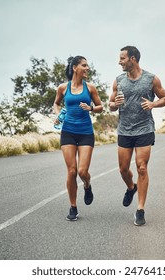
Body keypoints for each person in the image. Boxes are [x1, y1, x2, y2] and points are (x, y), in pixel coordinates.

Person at [109, 46, 165, 226]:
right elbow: (110, 105)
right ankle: (131, 187)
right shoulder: (118, 81)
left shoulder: (151, 79)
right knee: (123, 169)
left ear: (133, 59)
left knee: (141, 167)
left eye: (122, 58)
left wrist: (153, 104)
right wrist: (114, 104)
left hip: (144, 128)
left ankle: (140, 209)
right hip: (125, 130)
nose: (119, 62)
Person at [53, 55, 103, 221]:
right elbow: (56, 103)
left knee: (82, 171)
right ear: (75, 67)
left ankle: (87, 185)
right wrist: (58, 115)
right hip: (68, 132)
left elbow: (100, 107)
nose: (87, 68)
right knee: (72, 171)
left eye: (87, 65)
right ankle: (73, 207)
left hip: (85, 133)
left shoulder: (90, 88)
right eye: (84, 65)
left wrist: (90, 108)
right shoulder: (62, 88)